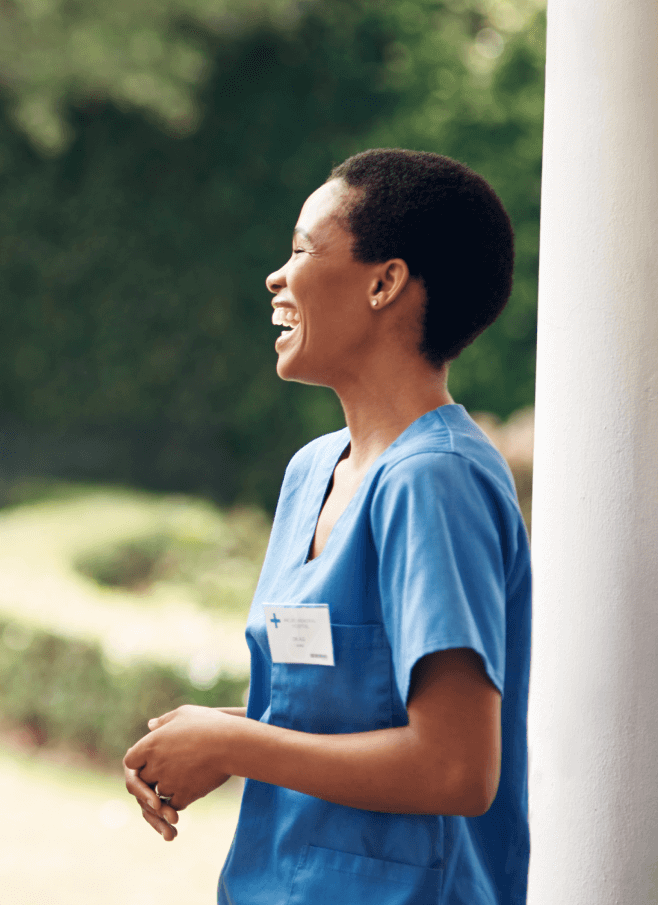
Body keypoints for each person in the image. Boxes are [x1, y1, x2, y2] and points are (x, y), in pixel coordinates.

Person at [123, 149, 530, 904]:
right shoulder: (313, 469)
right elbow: (349, 711)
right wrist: (221, 737)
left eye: (304, 249)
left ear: (385, 282)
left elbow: (457, 768)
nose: (278, 276)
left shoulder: (437, 480)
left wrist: (238, 742)